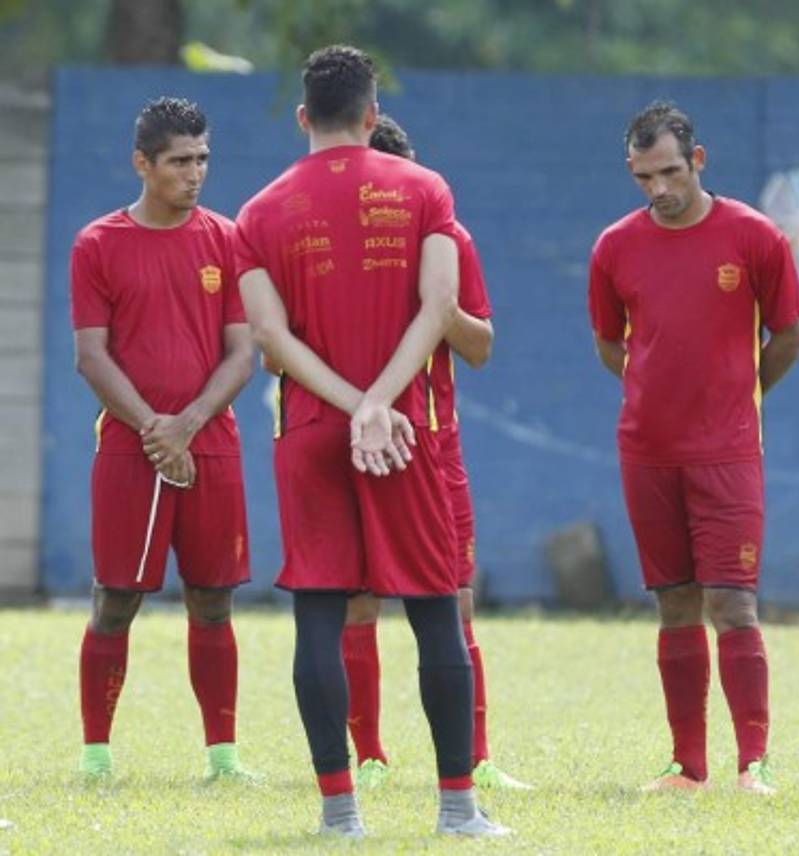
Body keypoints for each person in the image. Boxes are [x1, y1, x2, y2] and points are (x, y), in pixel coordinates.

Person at [234, 45, 508, 838]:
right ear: (372, 114)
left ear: (302, 116)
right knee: (435, 612)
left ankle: (340, 813)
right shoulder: (425, 189)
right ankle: (456, 809)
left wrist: (353, 406)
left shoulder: (257, 213)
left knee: (319, 615)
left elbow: (269, 338)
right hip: (404, 433)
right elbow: (438, 308)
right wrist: (382, 404)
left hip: (313, 432)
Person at [588, 101, 799, 794]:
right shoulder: (614, 247)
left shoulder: (755, 236)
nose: (659, 188)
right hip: (646, 453)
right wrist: (654, 392)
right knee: (674, 604)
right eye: (644, 177)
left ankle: (753, 766)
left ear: (699, 160)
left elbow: (790, 337)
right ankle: (688, 767)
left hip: (728, 454)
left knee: (733, 604)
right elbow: (609, 344)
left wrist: (738, 395)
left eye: (671, 172)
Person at [338, 114, 530, 791]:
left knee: (455, 601)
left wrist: (441, 308)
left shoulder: (450, 240)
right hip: (352, 442)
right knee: (357, 601)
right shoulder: (331, 246)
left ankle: (475, 757)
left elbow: (480, 349)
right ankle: (369, 757)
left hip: (434, 446)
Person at [69, 97, 255, 782]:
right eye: (180, 161)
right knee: (116, 599)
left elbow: (243, 353)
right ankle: (96, 756)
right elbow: (91, 356)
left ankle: (223, 758)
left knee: (213, 598)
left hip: (210, 444)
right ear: (142, 164)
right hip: (131, 448)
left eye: (202, 159)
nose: (195, 173)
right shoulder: (97, 244)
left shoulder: (228, 239)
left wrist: (188, 424)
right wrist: (156, 429)